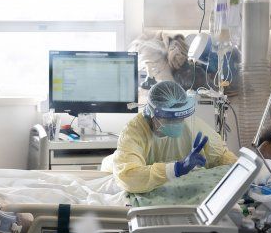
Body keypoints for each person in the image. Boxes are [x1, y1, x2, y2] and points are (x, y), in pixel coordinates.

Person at [101, 80, 237, 193]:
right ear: (153, 113)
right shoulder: (134, 132)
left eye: (180, 118)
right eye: (169, 118)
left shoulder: (193, 127)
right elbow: (129, 177)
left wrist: (244, 172)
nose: (177, 123)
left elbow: (221, 157)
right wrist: (176, 169)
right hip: (116, 165)